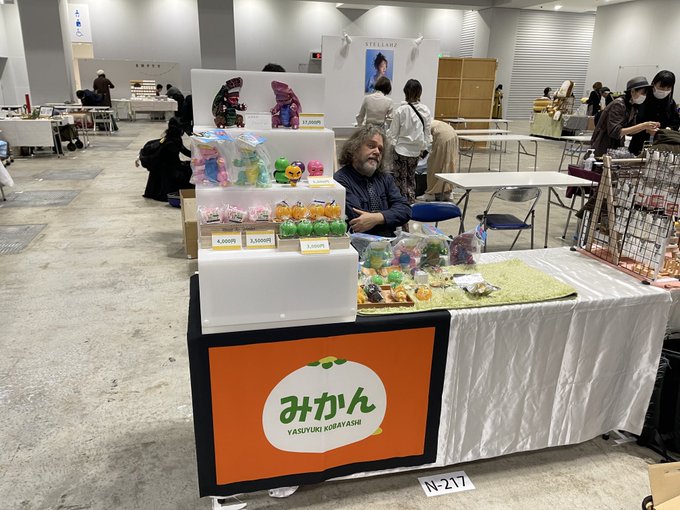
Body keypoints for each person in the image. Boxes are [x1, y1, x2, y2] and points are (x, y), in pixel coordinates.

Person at [334, 124, 411, 237]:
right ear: (354, 149)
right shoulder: (341, 180)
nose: (377, 152)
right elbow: (358, 220)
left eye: (380, 149)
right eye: (371, 146)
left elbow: (405, 210)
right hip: (359, 244)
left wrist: (377, 218)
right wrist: (390, 216)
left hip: (388, 243)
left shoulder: (385, 177)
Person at [589, 76, 660, 157]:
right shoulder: (619, 104)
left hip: (616, 146)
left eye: (645, 94)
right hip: (603, 146)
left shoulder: (633, 106)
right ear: (632, 91)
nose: (644, 96)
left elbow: (629, 130)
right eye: (643, 93)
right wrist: (643, 126)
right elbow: (615, 132)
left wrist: (646, 128)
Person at [387, 78, 432, 204]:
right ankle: (410, 203)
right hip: (415, 151)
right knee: (411, 179)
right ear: (420, 92)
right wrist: (423, 147)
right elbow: (427, 132)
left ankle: (400, 204)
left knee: (399, 180)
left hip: (400, 150)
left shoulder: (401, 110)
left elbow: (392, 134)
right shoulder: (425, 110)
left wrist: (392, 146)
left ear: (405, 92)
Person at [628, 70, 680, 156]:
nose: (664, 91)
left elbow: (675, 123)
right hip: (639, 142)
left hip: (662, 146)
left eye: (668, 88)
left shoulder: (670, 102)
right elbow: (631, 122)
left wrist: (667, 129)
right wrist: (644, 128)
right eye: (661, 88)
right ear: (653, 84)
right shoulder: (643, 98)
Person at [143, 117, 194, 202]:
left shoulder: (171, 138)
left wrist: (196, 155)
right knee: (189, 171)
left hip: (164, 167)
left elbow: (183, 150)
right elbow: (174, 162)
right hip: (167, 170)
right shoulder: (172, 143)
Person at [416, 120, 458, 202]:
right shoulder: (426, 120)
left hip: (442, 136)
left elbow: (425, 142)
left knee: (434, 165)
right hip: (452, 134)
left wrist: (421, 152)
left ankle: (431, 194)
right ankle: (447, 192)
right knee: (449, 163)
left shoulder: (419, 126)